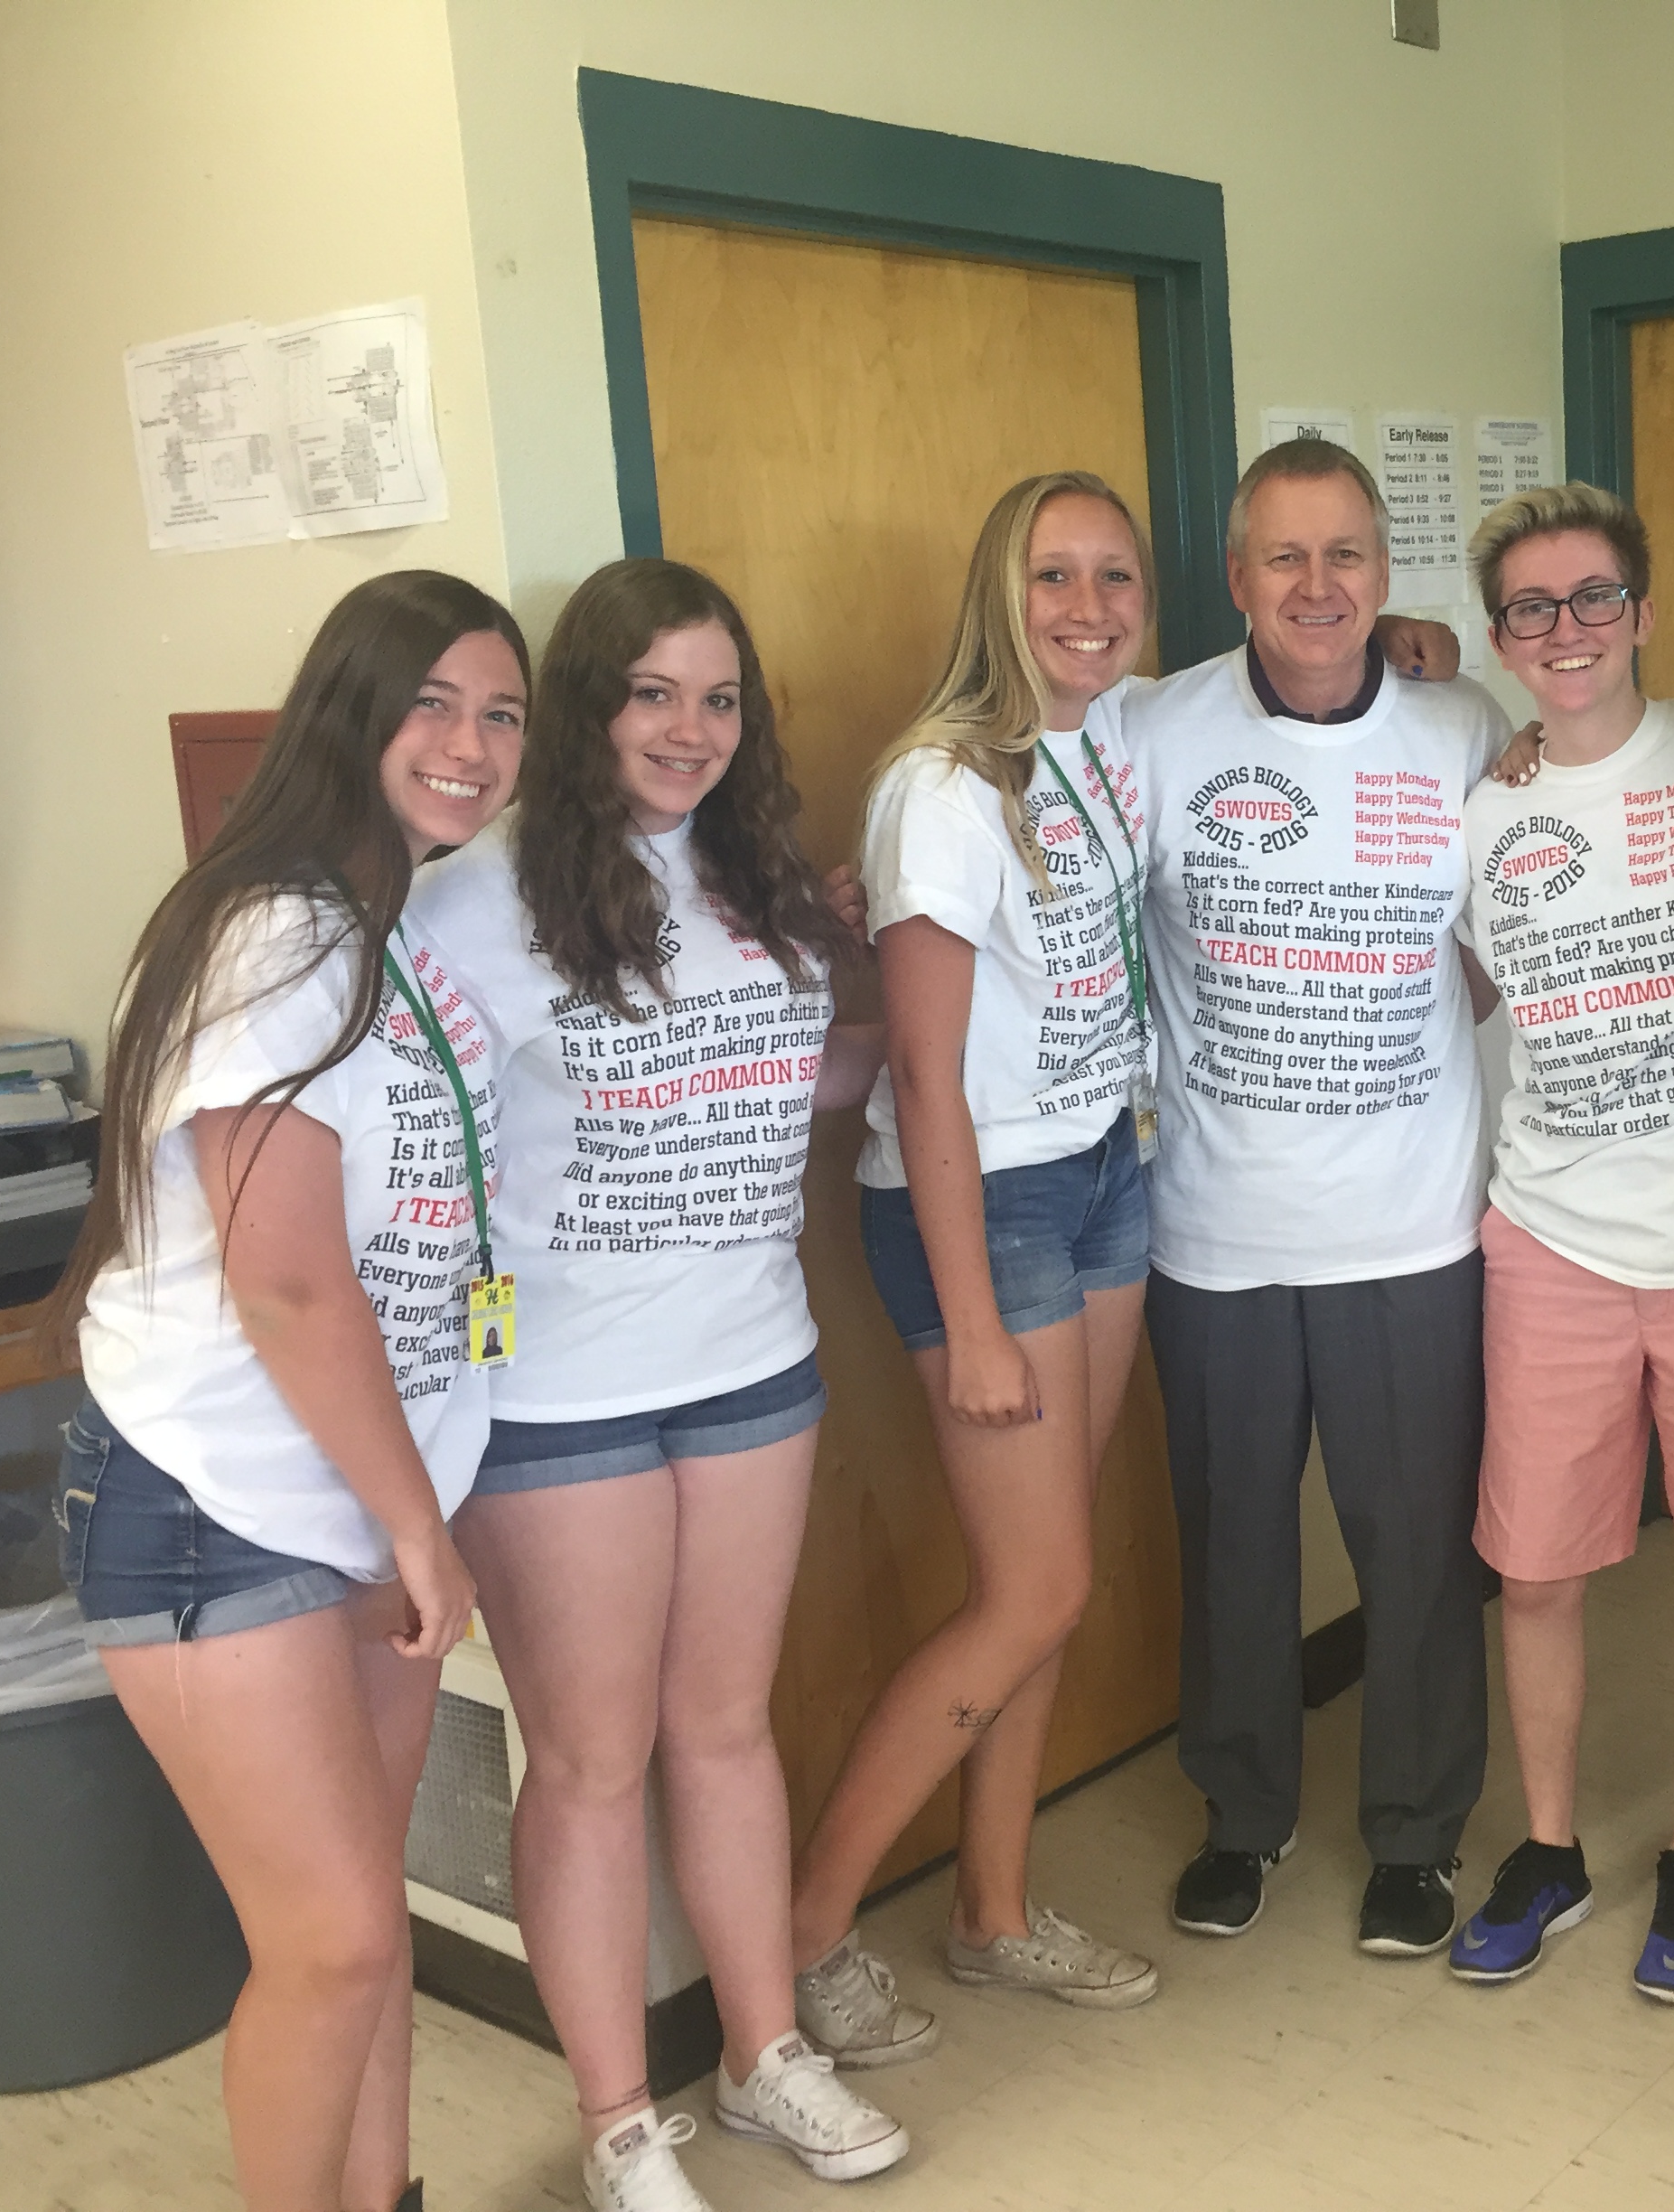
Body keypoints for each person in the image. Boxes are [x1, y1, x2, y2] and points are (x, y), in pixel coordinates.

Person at [413, 558, 902, 2211]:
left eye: (718, 698)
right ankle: (619, 2120)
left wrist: (890, 984)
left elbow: (798, 1083)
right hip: (559, 1397)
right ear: (584, 707)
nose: (690, 730)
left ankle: (763, 2055)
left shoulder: (755, 878)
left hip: (754, 1362)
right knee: (590, 1760)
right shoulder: (465, 906)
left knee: (724, 1731)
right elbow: (401, 1154)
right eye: (651, 695)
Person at [49, 570, 523, 2212]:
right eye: (433, 704)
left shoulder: (386, 921)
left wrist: (405, 1508)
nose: (471, 744)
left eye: (501, 715)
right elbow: (288, 1279)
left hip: (352, 1487)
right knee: (331, 1946)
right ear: (349, 712)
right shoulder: (278, 930)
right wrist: (422, 1529)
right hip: (213, 1496)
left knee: (361, 1925)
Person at [786, 471, 1168, 2027]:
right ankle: (799, 1944)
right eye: (1052, 577)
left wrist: (1420, 652)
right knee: (1033, 1590)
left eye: (1115, 577)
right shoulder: (940, 788)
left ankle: (992, 1912)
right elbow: (926, 1078)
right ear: (997, 596)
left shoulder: (1111, 734)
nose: (1088, 608)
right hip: (984, 1205)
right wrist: (974, 1320)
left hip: (1102, 1168)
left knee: (1048, 1583)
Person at [1439, 483, 1674, 2005]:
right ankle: (1549, 1851)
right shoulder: (1483, 802)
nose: (1568, 630)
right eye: (1532, 608)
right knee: (1536, 1571)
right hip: (1556, 1240)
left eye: (1595, 597)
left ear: (1645, 612)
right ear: (1499, 638)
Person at [1136, 437, 1513, 1955]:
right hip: (1212, 1231)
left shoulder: (1462, 724)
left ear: (1384, 571)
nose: (1316, 584)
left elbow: (1512, 930)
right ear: (1237, 577)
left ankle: (1417, 1833)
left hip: (1410, 1228)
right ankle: (1244, 1813)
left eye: (1345, 553)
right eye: (1284, 556)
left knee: (1417, 1552)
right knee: (1232, 1545)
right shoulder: (1151, 729)